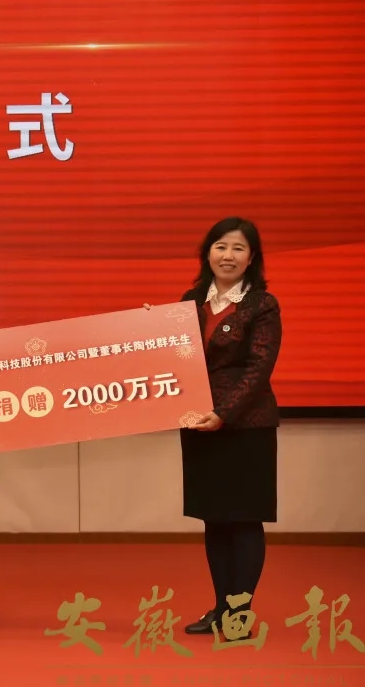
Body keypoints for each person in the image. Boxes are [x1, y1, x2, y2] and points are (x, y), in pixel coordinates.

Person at [177, 217, 281, 639]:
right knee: (215, 520)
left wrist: (223, 412)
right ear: (207, 253)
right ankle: (220, 609)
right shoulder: (189, 301)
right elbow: (172, 356)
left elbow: (258, 368)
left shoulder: (261, 304)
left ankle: (239, 616)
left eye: (238, 248)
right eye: (221, 246)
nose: (228, 255)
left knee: (243, 520)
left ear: (251, 258)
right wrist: (149, 327)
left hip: (245, 427)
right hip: (199, 425)